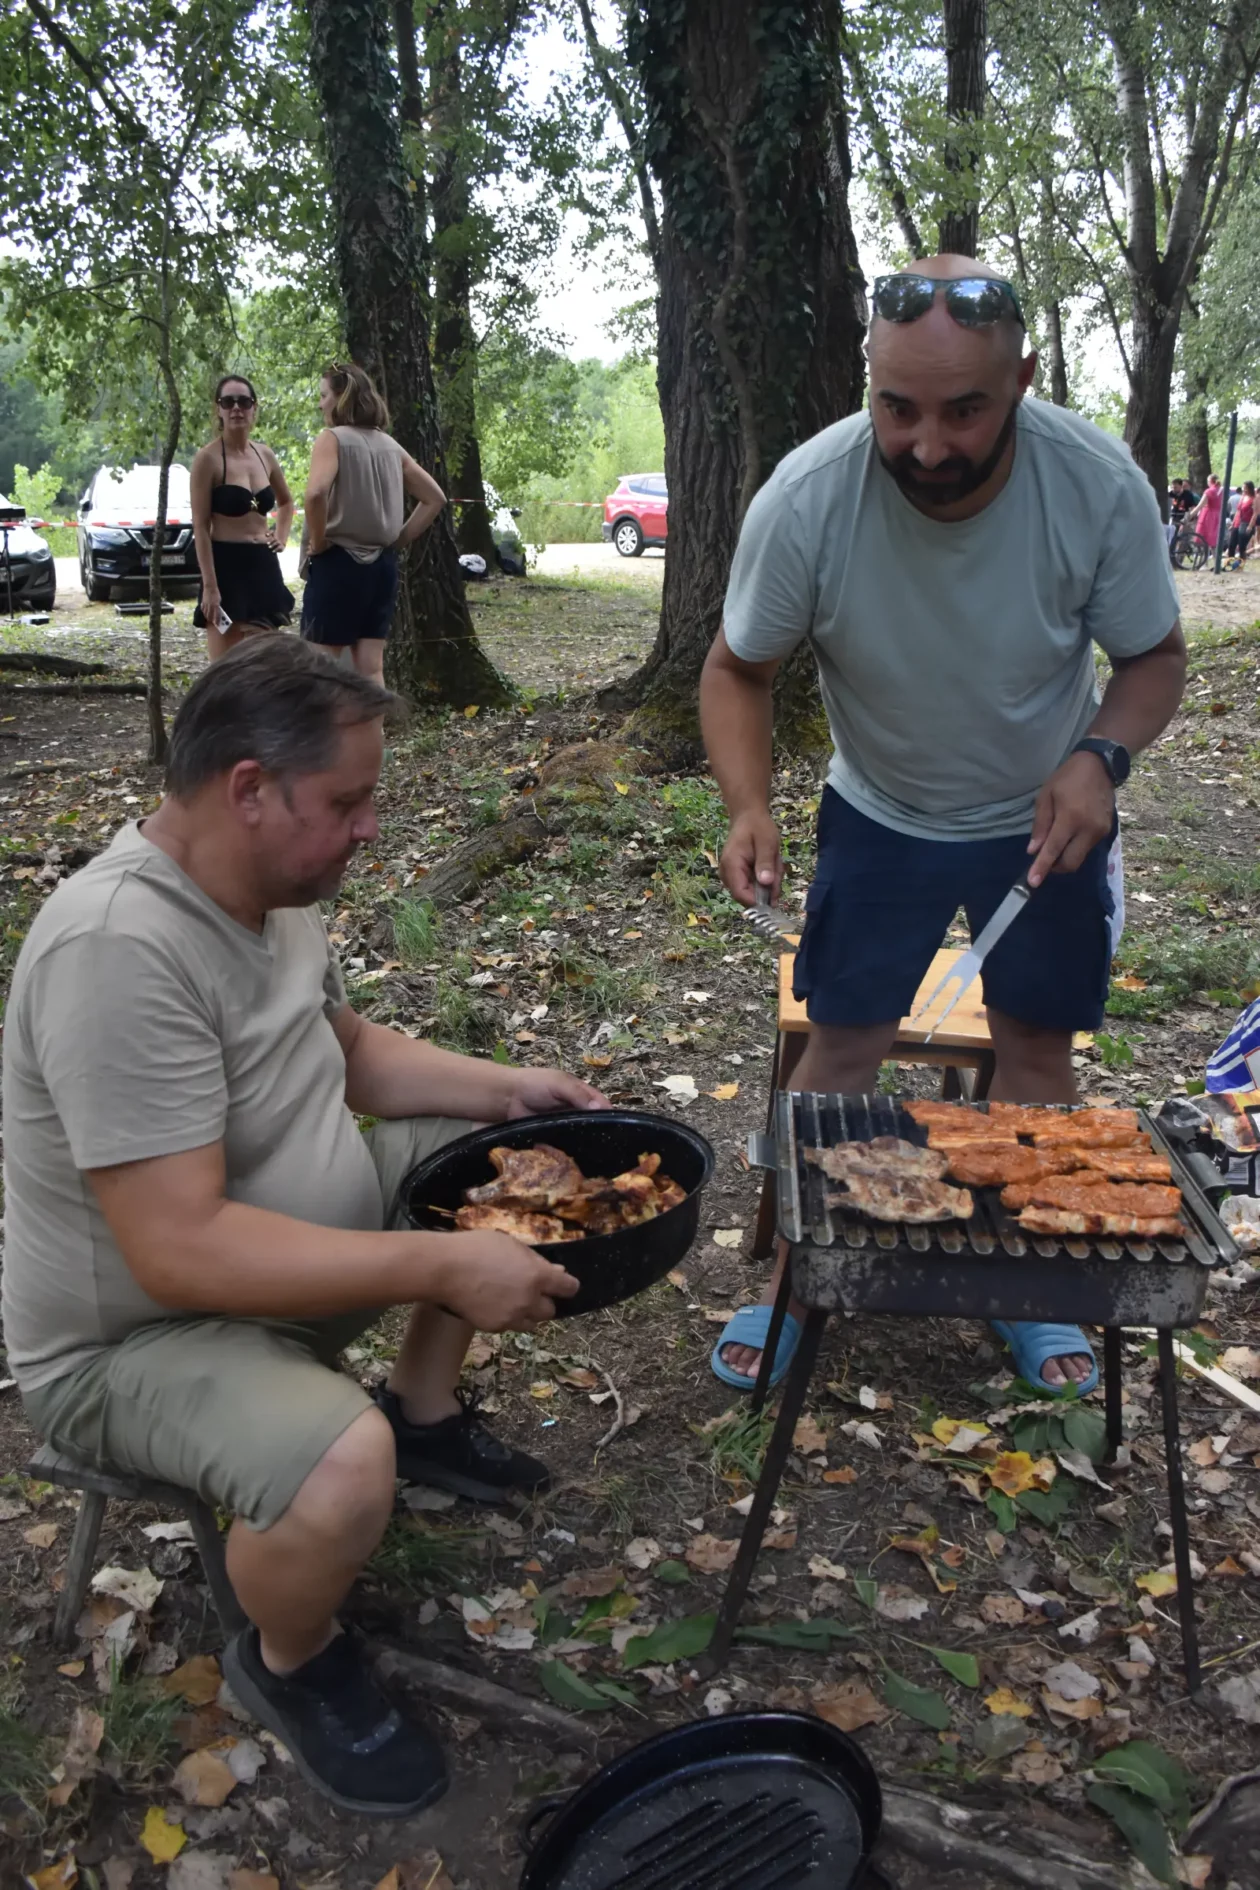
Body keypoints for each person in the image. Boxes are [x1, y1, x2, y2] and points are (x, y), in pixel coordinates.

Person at [1, 638, 608, 1817]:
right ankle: (290, 1660)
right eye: (349, 800)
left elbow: (350, 1052)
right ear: (248, 788)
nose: (369, 827)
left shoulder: (268, 888)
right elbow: (177, 1250)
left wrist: (512, 1090)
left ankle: (422, 1416)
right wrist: (440, 1259)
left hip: (267, 1258)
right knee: (340, 1472)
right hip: (140, 1340)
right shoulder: (117, 949)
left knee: (487, 1166)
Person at [700, 255, 1186, 1400]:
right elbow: (735, 669)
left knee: (1034, 1049)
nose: (925, 443)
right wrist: (750, 803)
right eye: (898, 406)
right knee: (847, 1044)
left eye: (964, 408)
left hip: (1044, 812)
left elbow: (1154, 658)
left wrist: (1100, 759)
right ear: (869, 380)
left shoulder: (1093, 484)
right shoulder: (809, 498)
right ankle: (788, 1280)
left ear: (1023, 377)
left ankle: (1019, 1288)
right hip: (882, 807)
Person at [301, 362, 446, 684]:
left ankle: (323, 736)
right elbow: (434, 498)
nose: (320, 403)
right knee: (371, 670)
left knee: (319, 670)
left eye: (324, 395)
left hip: (338, 565)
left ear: (341, 398)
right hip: (381, 568)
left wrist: (320, 542)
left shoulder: (332, 439)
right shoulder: (389, 445)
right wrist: (396, 541)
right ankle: (371, 736)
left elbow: (314, 495)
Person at [191, 375, 296, 660]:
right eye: (228, 402)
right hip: (225, 565)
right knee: (226, 669)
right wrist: (210, 587)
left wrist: (281, 536)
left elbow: (286, 503)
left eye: (244, 402)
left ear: (254, 408)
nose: (236, 408)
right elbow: (200, 527)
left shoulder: (265, 455)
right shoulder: (208, 459)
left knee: (267, 666)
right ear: (219, 410)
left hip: (263, 564)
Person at [1190, 473, 1224, 558]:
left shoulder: (1209, 491)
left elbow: (1200, 505)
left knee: (1203, 538)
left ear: (1210, 481)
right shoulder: (1222, 491)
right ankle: (1217, 562)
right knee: (1212, 539)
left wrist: (1190, 515)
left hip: (1207, 515)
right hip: (1217, 515)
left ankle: (1204, 562)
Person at [1226, 480, 1255, 566]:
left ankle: (1240, 564)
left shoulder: (1253, 499)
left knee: (1242, 546)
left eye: (1246, 488)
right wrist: (1233, 523)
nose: (1244, 490)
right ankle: (1229, 563)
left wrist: (1250, 526)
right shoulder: (1242, 497)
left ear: (1250, 489)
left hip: (1246, 523)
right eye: (1243, 488)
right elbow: (1238, 511)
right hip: (1237, 522)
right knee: (1231, 544)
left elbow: (1255, 513)